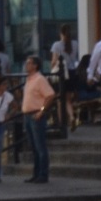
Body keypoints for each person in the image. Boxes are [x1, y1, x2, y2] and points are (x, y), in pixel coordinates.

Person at [21, 56, 56, 184]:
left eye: (29, 63)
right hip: (27, 115)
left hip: (36, 114)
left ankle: (43, 174)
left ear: (35, 65)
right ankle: (36, 173)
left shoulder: (40, 79)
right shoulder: (29, 79)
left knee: (40, 145)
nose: (27, 65)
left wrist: (42, 110)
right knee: (33, 146)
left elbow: (50, 95)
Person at [50, 24, 79, 125]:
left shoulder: (56, 45)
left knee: (59, 99)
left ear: (61, 34)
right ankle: (71, 116)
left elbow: (53, 61)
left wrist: (52, 68)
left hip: (62, 74)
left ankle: (61, 122)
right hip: (72, 72)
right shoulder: (75, 44)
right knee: (68, 99)